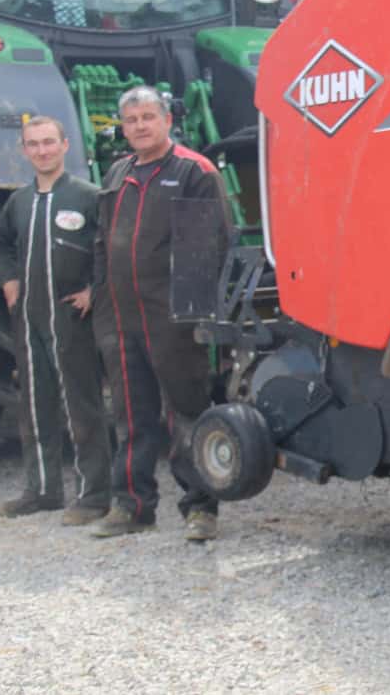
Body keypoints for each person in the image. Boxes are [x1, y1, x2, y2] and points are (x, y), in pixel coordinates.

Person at [91, 85, 228, 541]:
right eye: (131, 120)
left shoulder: (194, 172)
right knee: (131, 414)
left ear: (168, 121)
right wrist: (102, 306)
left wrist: (191, 319)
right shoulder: (117, 175)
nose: (140, 127)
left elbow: (206, 251)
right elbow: (101, 244)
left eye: (149, 117)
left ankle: (200, 508)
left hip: (172, 318)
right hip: (121, 315)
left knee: (185, 411)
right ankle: (131, 505)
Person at [0, 116, 112, 525]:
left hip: (70, 318)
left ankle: (94, 495)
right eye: (33, 144)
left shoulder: (87, 197)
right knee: (35, 403)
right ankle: (42, 490)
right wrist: (8, 280)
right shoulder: (19, 202)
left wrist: (95, 290)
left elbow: (110, 248)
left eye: (49, 142)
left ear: (65, 146)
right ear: (24, 151)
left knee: (81, 404)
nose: (42, 150)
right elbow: (1, 242)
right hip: (28, 318)